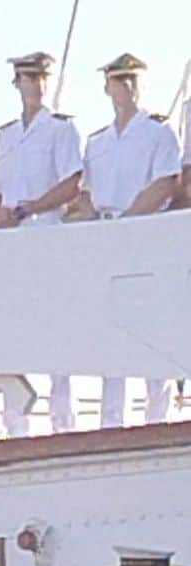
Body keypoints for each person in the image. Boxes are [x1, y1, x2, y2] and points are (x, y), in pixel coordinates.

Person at [80, 54, 181, 428]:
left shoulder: (158, 133)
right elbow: (87, 193)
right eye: (119, 81)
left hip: (145, 235)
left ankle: (158, 419)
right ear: (107, 87)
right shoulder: (98, 141)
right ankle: (111, 423)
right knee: (112, 332)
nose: (126, 88)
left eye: (132, 80)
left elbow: (165, 183)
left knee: (152, 328)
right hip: (107, 236)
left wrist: (129, 221)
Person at [0, 51, 83, 437]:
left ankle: (63, 422)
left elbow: (71, 183)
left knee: (56, 330)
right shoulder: (6, 136)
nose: (36, 85)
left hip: (48, 233)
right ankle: (16, 422)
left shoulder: (61, 130)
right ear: (18, 84)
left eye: (41, 78)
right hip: (13, 242)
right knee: (15, 329)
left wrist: (28, 208)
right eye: (29, 78)